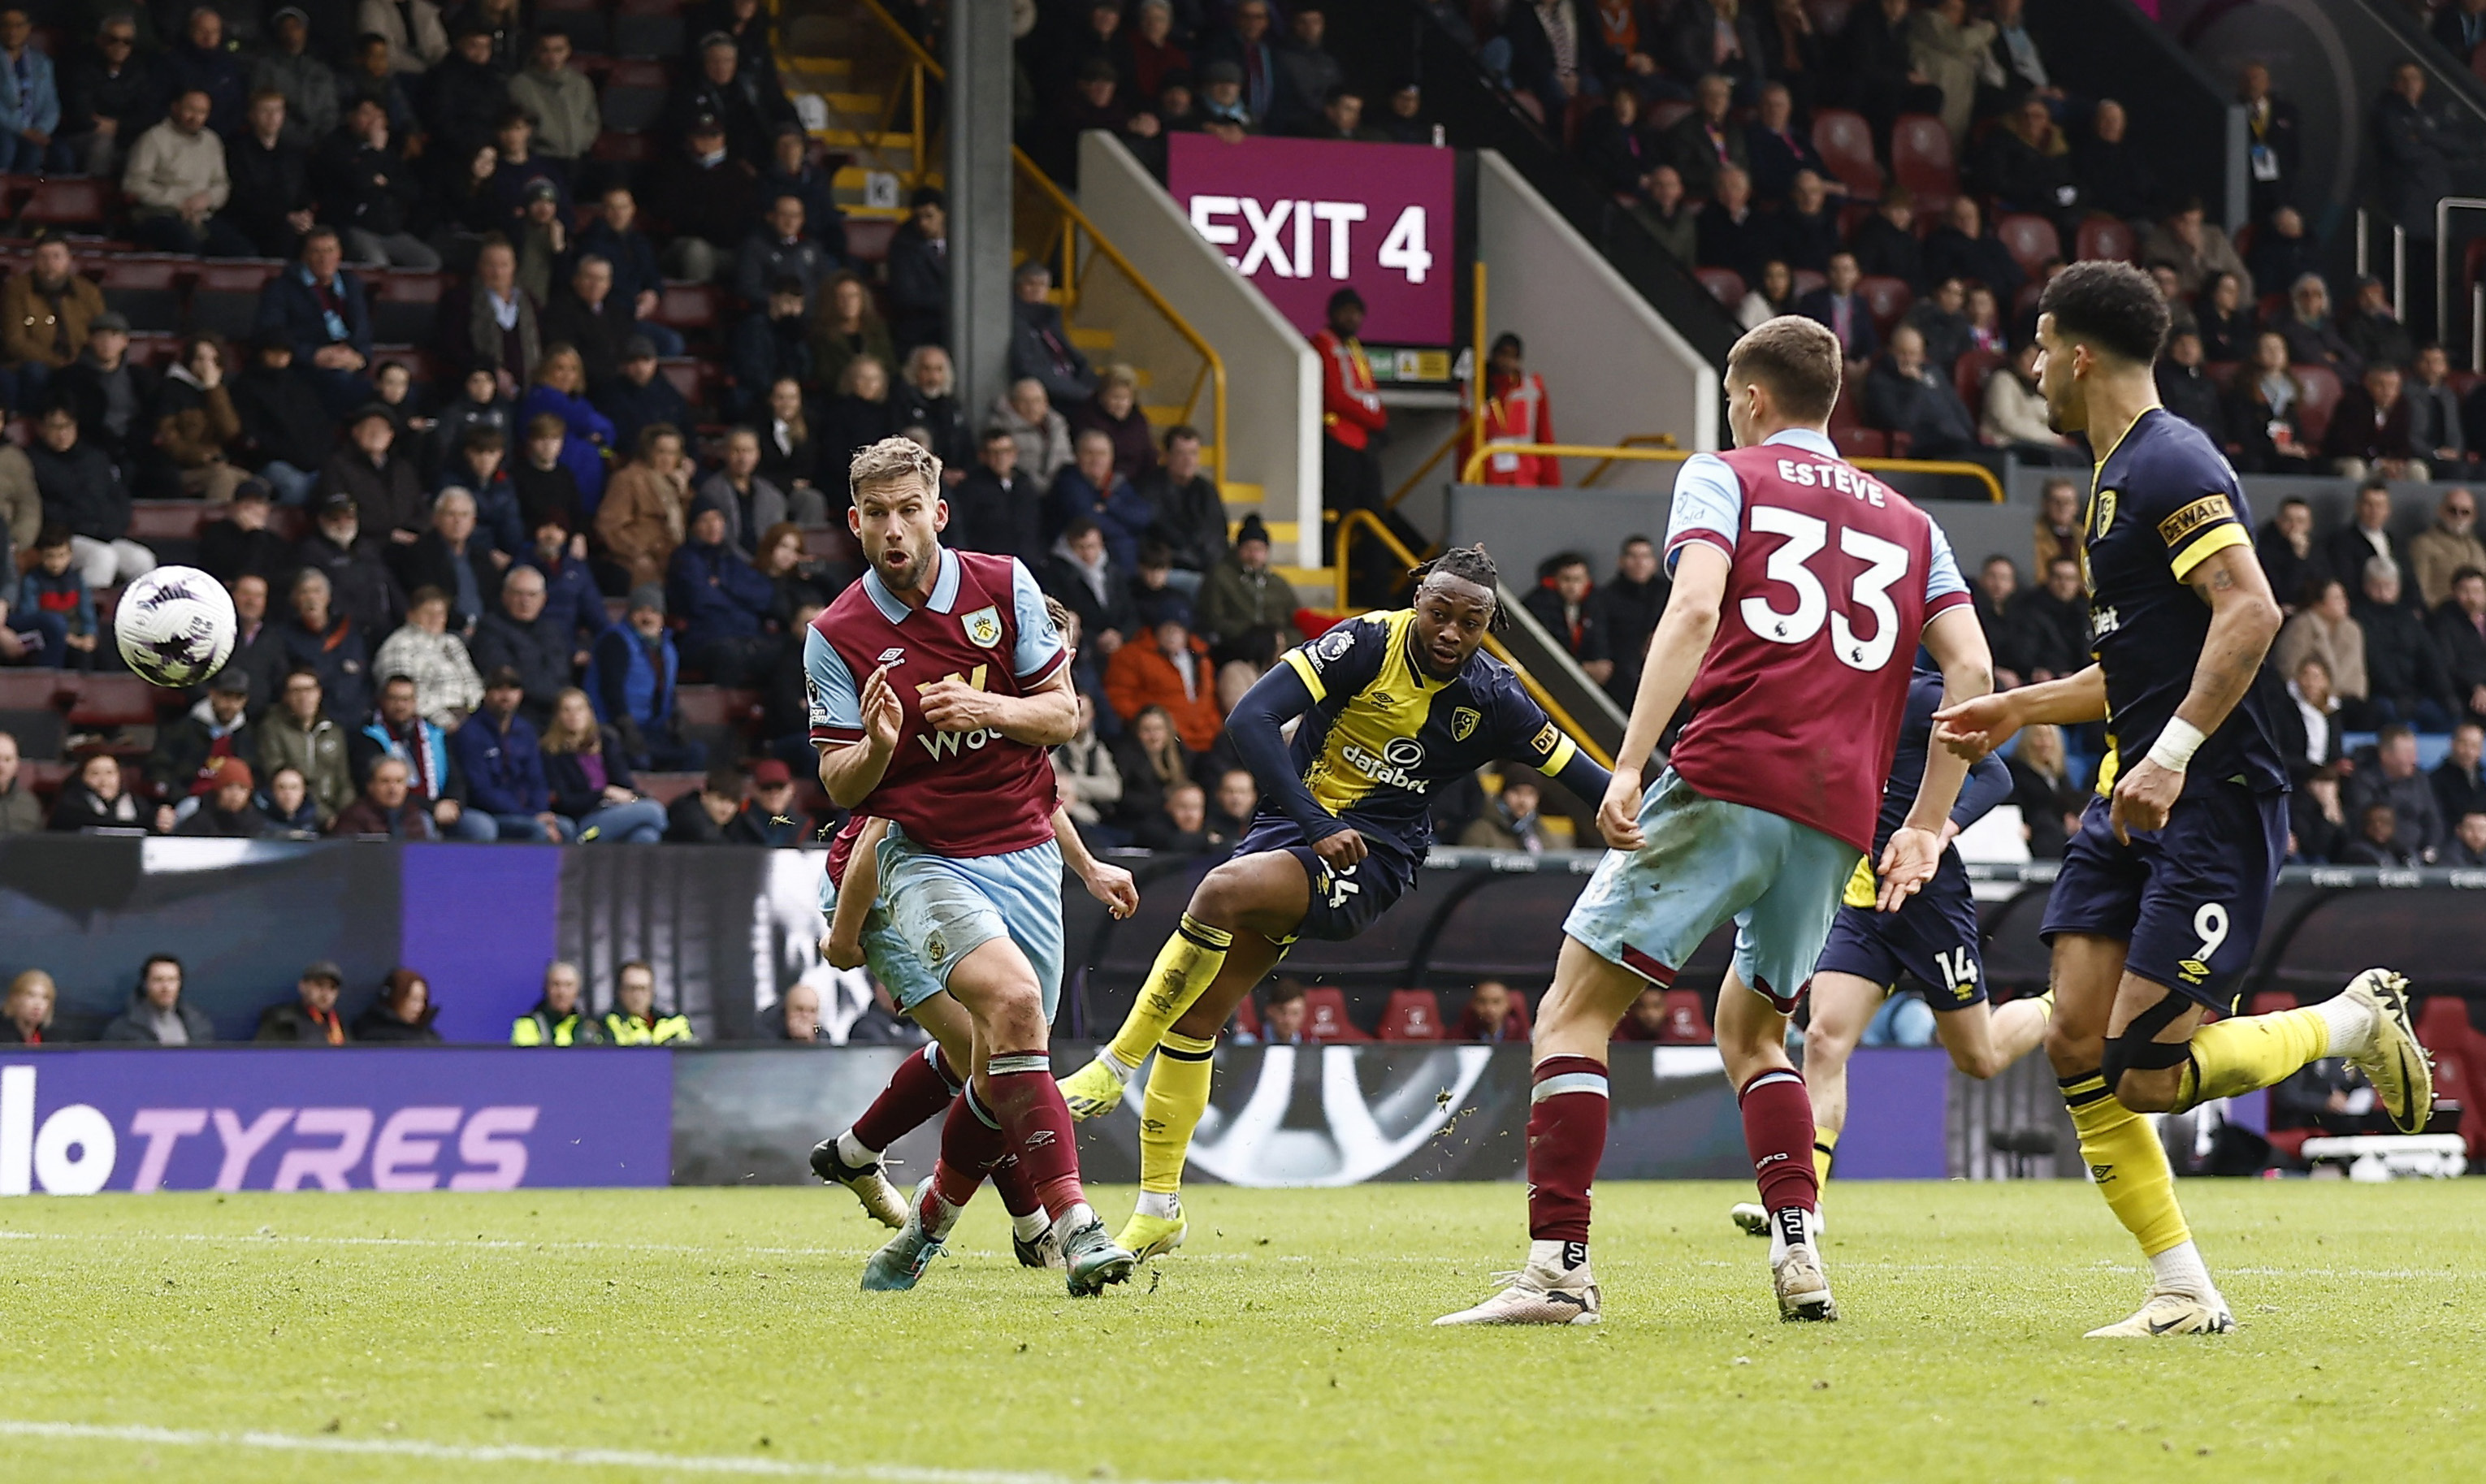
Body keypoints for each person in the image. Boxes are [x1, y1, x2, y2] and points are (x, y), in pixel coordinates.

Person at [1418, 315, 1981, 1326]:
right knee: (1755, 1035)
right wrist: (1928, 824)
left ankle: (1558, 1271)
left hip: (1728, 777)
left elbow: (1690, 611)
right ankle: (1800, 1256)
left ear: (1754, 398)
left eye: (1732, 397)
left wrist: (1629, 762)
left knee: (1572, 1016)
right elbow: (1974, 679)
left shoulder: (1723, 472)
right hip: (1839, 817)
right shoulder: (1915, 522)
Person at [1929, 262, 2426, 1339]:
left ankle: (2348, 1019)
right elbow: (2138, 670)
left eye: (2036, 344)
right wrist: (2023, 706)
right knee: (2072, 1036)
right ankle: (2182, 1289)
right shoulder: (2113, 479)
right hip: (2137, 791)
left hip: (2209, 793)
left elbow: (2251, 610)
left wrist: (2172, 753)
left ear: (2074, 351)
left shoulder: (2170, 460)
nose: (2028, 365)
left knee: (2146, 1074)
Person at [1056, 541, 1615, 1264]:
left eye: (1469, 622)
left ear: (1489, 625)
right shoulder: (1362, 642)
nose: (1450, 630)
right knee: (1198, 1015)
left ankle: (1113, 1064)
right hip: (1298, 828)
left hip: (1373, 857)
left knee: (1221, 889)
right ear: (1419, 600)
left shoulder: (1495, 695)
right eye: (1439, 611)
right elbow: (1249, 720)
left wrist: (1661, 803)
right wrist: (1315, 824)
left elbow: (1585, 775)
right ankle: (1159, 1209)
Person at [802, 435, 1137, 1295]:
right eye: (876, 514)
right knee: (1012, 1006)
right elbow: (842, 784)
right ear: (855, 523)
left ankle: (924, 1225)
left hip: (1025, 852)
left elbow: (1062, 717)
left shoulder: (1005, 585)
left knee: (1001, 1063)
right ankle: (1072, 1222)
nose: (894, 528)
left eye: (909, 509)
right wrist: (879, 747)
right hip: (925, 858)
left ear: (937, 513)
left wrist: (988, 704)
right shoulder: (837, 634)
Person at [1726, 661, 2047, 1238]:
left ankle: (2056, 1005)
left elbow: (1996, 777)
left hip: (1930, 898)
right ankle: (1808, 1200)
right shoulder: (1823, 688)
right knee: (1823, 1039)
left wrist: (1940, 829)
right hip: (1861, 900)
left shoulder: (1925, 694)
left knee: (1980, 1058)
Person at [352, 671, 494, 840]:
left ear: (415, 702)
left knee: (481, 826)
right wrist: (433, 808)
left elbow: (455, 776)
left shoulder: (434, 733)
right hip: (398, 811)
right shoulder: (369, 737)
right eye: (394, 699)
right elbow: (377, 788)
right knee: (422, 823)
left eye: (406, 699)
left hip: (441, 806)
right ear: (382, 700)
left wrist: (454, 802)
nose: (400, 705)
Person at [587, 586, 704, 772]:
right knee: (640, 760)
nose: (647, 618)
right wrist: (625, 725)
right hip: (617, 728)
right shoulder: (615, 641)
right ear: (630, 614)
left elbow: (667, 689)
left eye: (654, 612)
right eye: (641, 611)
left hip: (653, 728)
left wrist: (676, 716)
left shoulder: (667, 648)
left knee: (696, 752)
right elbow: (611, 690)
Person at [453, 666, 574, 842]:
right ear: (486, 693)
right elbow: (481, 790)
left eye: (512, 689)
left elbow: (537, 780)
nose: (506, 695)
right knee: (534, 830)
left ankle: (565, 871)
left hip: (526, 812)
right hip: (488, 813)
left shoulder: (525, 731)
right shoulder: (470, 732)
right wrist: (529, 815)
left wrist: (540, 812)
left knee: (567, 828)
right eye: (499, 689)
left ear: (521, 694)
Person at [669, 500, 779, 685]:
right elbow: (702, 600)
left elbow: (765, 596)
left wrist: (724, 585)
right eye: (705, 520)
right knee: (729, 655)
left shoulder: (731, 558)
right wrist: (742, 600)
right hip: (705, 638)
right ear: (693, 526)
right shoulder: (685, 559)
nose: (713, 526)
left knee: (790, 653)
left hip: (747, 636)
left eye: (717, 519)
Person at [539, 686, 668, 843]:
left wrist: (632, 799)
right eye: (567, 710)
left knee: (646, 836)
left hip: (617, 811)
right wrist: (603, 793)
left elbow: (626, 786)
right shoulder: (552, 753)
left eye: (579, 709)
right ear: (558, 716)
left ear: (589, 713)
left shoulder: (606, 743)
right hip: (587, 828)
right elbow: (565, 802)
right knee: (654, 811)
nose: (574, 716)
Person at [0, 232, 102, 418]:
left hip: (79, 360)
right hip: (35, 362)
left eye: (56, 256)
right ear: (34, 260)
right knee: (35, 371)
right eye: (43, 257)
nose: (50, 263)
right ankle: (33, 422)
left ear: (68, 260)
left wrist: (79, 359)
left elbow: (100, 331)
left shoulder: (88, 291)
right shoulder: (17, 290)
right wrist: (57, 362)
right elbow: (15, 341)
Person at [2355, 557, 2457, 729]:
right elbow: (2374, 659)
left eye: (2388, 586)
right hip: (2380, 695)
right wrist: (2398, 694)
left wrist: (2446, 693)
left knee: (2450, 718)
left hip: (2416, 695)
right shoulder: (2359, 618)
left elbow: (2430, 657)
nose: (2383, 591)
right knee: (2392, 717)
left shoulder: (2408, 617)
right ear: (2366, 587)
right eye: (2377, 586)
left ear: (2398, 587)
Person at [371, 586, 484, 729]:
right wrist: (448, 722)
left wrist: (478, 713)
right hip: (430, 724)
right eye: (428, 613)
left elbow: (472, 681)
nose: (436, 619)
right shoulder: (399, 645)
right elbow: (405, 697)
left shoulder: (452, 642)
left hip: (469, 717)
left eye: (441, 613)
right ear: (411, 615)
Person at [597, 424, 695, 589]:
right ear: (648, 451)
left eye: (672, 453)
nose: (666, 459)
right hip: (640, 558)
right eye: (661, 452)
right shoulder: (628, 479)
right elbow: (608, 526)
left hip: (674, 557)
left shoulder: (677, 483)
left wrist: (684, 492)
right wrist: (638, 554)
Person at [1007, 260, 1094, 409]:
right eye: (1030, 284)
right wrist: (1081, 392)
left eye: (1042, 285)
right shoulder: (1015, 321)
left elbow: (1075, 359)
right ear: (1017, 288)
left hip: (1071, 384)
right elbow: (1029, 368)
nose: (1037, 289)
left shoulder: (1050, 318)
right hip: (1051, 395)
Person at [948, 424, 1038, 562]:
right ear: (983, 456)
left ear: (1014, 454)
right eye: (994, 452)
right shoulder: (971, 488)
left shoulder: (1025, 484)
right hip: (988, 565)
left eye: (1006, 451)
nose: (1000, 458)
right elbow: (961, 531)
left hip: (1027, 564)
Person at [101, 954, 215, 1045]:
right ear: (145, 984)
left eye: (172, 980)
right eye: (158, 980)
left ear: (180, 984)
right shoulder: (122, 1029)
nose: (166, 987)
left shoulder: (198, 1024)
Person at [1796, 253, 1878, 365]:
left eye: (1846, 270)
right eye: (1835, 270)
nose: (1841, 275)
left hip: (1853, 362)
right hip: (1822, 362)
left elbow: (1870, 340)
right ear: (1828, 273)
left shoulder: (1861, 303)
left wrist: (1863, 362)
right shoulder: (1812, 301)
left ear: (1857, 274)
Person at [254, 961, 352, 1043]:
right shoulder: (283, 1020)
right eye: (319, 985)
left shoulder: (338, 1022)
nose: (326, 994)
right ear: (302, 986)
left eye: (332, 987)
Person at [601, 960, 695, 1045]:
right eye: (631, 989)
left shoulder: (675, 1023)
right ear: (620, 991)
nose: (637, 995)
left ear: (652, 991)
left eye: (643, 989)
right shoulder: (605, 1025)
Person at [174, 757, 271, 837]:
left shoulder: (256, 824)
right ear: (219, 790)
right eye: (229, 787)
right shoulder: (199, 821)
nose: (235, 794)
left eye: (242, 788)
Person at [511, 961, 600, 1045]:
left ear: (577, 991)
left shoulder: (587, 1027)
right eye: (556, 984)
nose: (562, 992)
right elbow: (527, 1059)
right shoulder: (528, 1023)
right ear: (546, 988)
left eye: (568, 985)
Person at [1457, 771, 1548, 853]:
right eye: (1516, 792)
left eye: (1530, 794)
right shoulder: (1480, 831)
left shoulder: (1541, 832)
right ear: (1504, 794)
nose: (1523, 801)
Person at [1, 967, 54, 1044]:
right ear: (15, 998)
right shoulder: (3, 1037)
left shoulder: (52, 1040)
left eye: (45, 998)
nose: (38, 1004)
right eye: (31, 995)